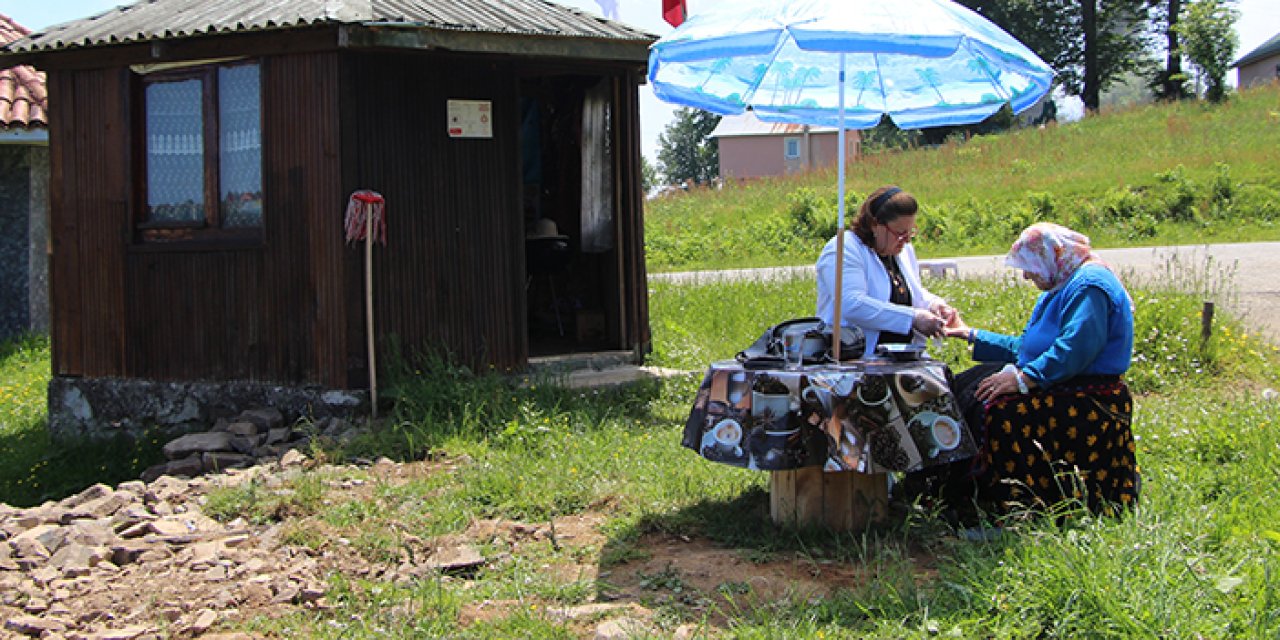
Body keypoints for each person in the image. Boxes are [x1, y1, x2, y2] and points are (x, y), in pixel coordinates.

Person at [943, 222, 1139, 516]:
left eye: (1030, 266)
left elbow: (1076, 348)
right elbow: (1029, 348)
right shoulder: (1061, 283)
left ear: (1051, 256)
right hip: (1067, 383)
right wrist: (970, 334)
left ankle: (1028, 508)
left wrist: (1025, 379)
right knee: (967, 386)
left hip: (1092, 394)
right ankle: (966, 496)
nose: (1026, 275)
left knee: (1000, 410)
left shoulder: (1090, 285)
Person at [815, 186, 954, 358]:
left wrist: (934, 305)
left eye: (911, 232)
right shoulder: (843, 249)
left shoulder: (902, 250)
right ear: (875, 225)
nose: (907, 240)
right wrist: (912, 318)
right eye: (900, 233)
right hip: (854, 361)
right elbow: (851, 304)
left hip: (903, 358)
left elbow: (910, 292)